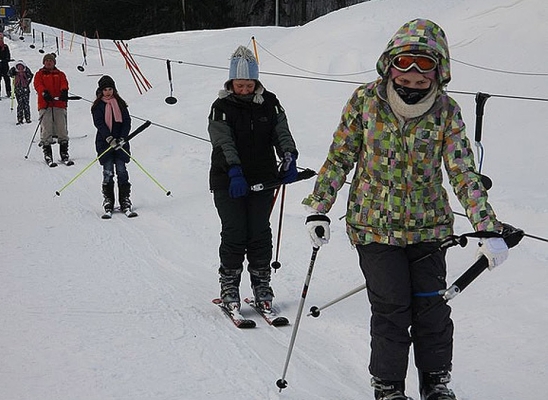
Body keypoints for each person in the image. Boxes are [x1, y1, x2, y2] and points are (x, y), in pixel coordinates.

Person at [302, 19, 510, 400]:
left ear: (439, 72)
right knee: (392, 308)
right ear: (390, 64)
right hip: (373, 227)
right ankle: (389, 386)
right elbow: (339, 158)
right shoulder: (365, 101)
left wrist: (487, 226)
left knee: (432, 310)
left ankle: (436, 384)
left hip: (429, 228)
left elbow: (462, 171)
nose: (412, 80)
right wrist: (319, 206)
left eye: (423, 72)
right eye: (405, 69)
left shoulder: (446, 111)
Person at [207, 45, 299, 312]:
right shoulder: (221, 107)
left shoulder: (269, 103)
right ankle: (229, 285)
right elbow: (222, 141)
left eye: (249, 85)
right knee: (235, 231)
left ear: (256, 82)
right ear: (231, 82)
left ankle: (261, 284)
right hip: (229, 180)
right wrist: (234, 170)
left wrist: (289, 155)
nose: (244, 90)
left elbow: (281, 131)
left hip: (263, 177)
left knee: (259, 232)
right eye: (239, 85)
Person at [91, 75, 133, 216]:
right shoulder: (98, 106)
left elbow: (126, 121)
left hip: (120, 143)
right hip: (105, 143)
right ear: (101, 91)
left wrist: (122, 137)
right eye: (105, 90)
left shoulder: (120, 104)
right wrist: (109, 138)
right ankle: (108, 200)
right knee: (108, 171)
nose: (108, 92)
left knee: (122, 170)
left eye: (110, 89)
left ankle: (125, 200)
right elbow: (99, 123)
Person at [33, 52, 70, 165]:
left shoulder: (60, 74)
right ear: (44, 63)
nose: (49, 63)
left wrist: (64, 91)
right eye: (47, 61)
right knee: (46, 128)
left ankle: (64, 152)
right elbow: (38, 85)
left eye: (51, 61)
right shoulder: (40, 74)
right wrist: (44, 92)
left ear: (54, 62)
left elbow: (64, 83)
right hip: (45, 104)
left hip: (59, 104)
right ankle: (47, 152)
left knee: (61, 128)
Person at [8, 60, 33, 124]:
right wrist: (27, 83)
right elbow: (31, 75)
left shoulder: (15, 69)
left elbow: (9, 74)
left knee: (20, 104)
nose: (20, 69)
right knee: (26, 104)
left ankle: (20, 119)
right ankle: (27, 118)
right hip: (24, 89)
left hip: (19, 89)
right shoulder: (26, 69)